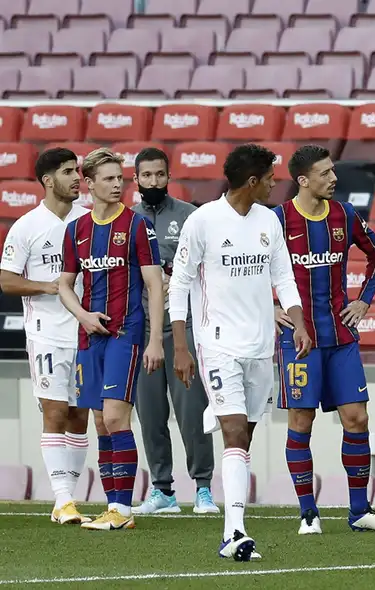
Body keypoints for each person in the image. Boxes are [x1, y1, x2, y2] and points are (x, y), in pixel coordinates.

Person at [169, 143, 312, 561]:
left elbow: (283, 277)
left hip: (260, 346)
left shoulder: (269, 220)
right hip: (217, 344)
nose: (274, 184)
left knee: (243, 438)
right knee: (233, 431)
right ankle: (234, 532)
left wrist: (298, 320)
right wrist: (181, 345)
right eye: (270, 178)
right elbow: (178, 285)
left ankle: (233, 526)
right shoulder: (203, 221)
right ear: (253, 181)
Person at [272, 145, 375, 534]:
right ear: (303, 180)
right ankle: (308, 513)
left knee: (357, 418)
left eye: (333, 171)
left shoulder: (344, 214)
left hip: (342, 336)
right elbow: (247, 268)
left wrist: (363, 300)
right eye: (325, 173)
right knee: (301, 420)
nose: (334, 178)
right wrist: (266, 306)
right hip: (300, 339)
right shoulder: (277, 221)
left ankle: (359, 510)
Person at [58, 148, 165, 531]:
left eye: (121, 178)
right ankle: (113, 507)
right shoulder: (76, 229)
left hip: (126, 334)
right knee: (101, 423)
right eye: (108, 179)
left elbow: (154, 284)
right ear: (89, 184)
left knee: (117, 417)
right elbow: (65, 285)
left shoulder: (136, 226)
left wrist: (154, 340)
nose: (118, 184)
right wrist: (82, 315)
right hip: (90, 339)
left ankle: (122, 508)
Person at [0, 148, 91, 524]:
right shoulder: (26, 226)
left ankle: (65, 499)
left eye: (78, 171)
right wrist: (49, 287)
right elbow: (6, 280)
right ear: (48, 180)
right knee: (54, 411)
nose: (77, 178)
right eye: (68, 172)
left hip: (86, 332)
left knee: (79, 415)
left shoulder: (90, 221)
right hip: (47, 333)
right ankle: (63, 498)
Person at [130, 147, 217, 516]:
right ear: (136, 179)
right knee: (149, 414)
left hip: (183, 330)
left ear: (169, 175)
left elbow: (208, 268)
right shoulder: (126, 220)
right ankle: (162, 490)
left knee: (192, 410)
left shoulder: (190, 217)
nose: (153, 182)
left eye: (159, 175)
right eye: (146, 176)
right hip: (141, 332)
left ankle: (203, 488)